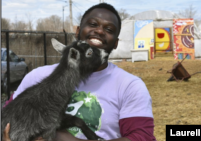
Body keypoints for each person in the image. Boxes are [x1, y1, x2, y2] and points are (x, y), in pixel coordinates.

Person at [3, 3, 156, 141]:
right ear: (78, 32)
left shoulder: (129, 86)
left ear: (115, 43)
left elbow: (142, 137)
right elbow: (6, 121)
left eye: (109, 29)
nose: (99, 31)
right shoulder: (37, 76)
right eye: (93, 24)